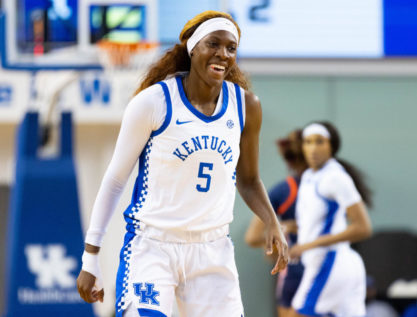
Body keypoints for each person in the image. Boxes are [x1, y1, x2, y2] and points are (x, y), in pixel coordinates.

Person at [76, 10, 288, 317]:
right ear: (192, 47)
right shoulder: (154, 102)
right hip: (152, 246)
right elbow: (115, 180)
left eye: (231, 48)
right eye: (213, 44)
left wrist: (272, 221)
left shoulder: (246, 106)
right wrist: (90, 256)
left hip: (212, 248)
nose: (223, 54)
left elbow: (249, 179)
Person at [288, 121, 373, 317]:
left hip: (330, 262)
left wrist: (307, 245)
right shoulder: (310, 176)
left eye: (320, 142)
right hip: (333, 264)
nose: (313, 148)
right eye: (308, 142)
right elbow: (319, 223)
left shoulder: (335, 177)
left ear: (332, 146)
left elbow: (363, 228)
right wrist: (292, 228)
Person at [245, 129, 307, 317]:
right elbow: (253, 237)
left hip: (306, 269)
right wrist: (283, 230)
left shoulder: (287, 189)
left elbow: (252, 237)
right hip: (298, 270)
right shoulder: (286, 190)